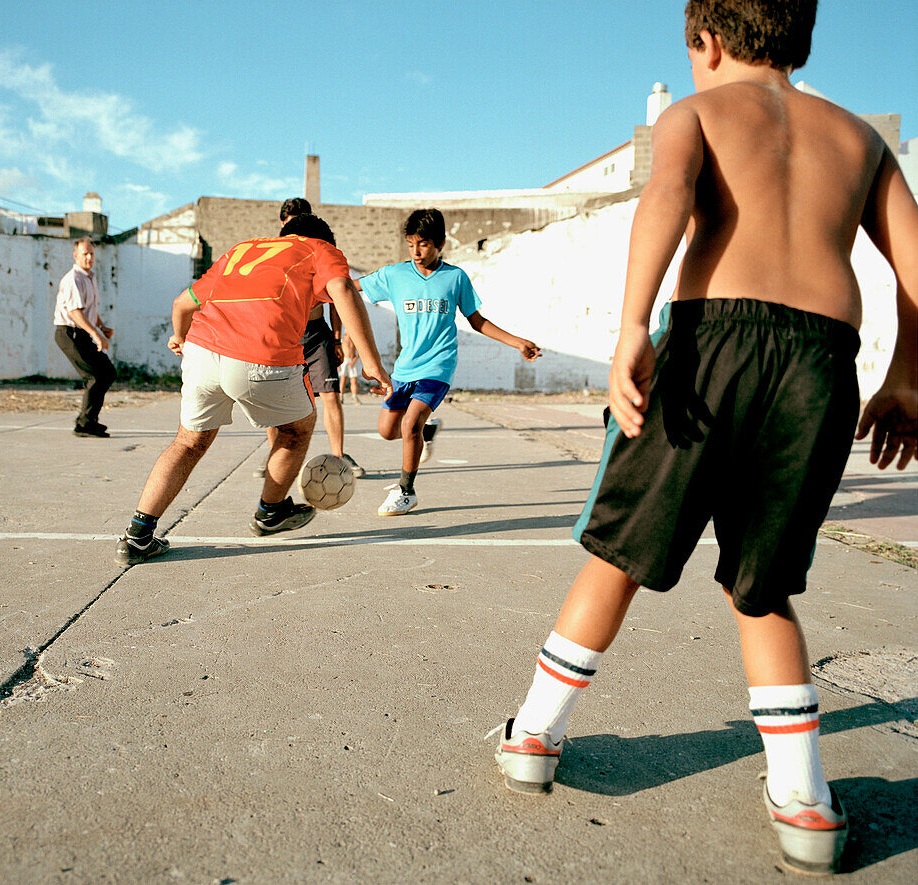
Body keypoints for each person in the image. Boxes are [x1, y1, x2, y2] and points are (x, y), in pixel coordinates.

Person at [494, 0, 918, 875]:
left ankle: (535, 734)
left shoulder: (695, 112)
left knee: (616, 552)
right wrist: (907, 374)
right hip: (819, 363)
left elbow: (666, 198)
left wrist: (628, 332)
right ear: (796, 38)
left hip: (711, 341)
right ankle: (803, 799)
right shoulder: (861, 141)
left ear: (708, 41)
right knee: (762, 585)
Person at [114, 214, 391, 566]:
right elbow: (343, 289)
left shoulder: (242, 250)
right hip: (262, 353)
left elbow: (182, 303)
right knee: (296, 430)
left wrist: (181, 337)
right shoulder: (318, 248)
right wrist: (371, 362)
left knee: (188, 442)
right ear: (324, 240)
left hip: (202, 349)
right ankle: (271, 511)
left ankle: (137, 537)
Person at [355, 208, 541, 515]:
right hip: (404, 368)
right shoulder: (394, 275)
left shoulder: (455, 278)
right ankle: (428, 432)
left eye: (424, 243)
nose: (416, 250)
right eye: (411, 243)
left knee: (410, 424)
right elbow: (348, 287)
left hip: (438, 366)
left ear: (440, 243)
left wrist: (517, 341)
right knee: (389, 431)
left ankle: (406, 490)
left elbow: (477, 320)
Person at [253, 198, 366, 478]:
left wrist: (338, 340)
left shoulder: (322, 252)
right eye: (290, 220)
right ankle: (275, 458)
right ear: (282, 224)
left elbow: (336, 300)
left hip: (317, 334)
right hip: (285, 335)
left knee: (330, 396)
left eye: (301, 218)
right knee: (274, 399)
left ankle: (339, 456)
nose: (296, 226)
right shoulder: (273, 254)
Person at [53, 236, 116, 437]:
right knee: (95, 376)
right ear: (75, 255)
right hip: (68, 332)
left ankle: (89, 421)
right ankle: (84, 424)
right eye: (84, 254)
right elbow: (75, 312)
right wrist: (96, 335)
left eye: (92, 254)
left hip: (80, 331)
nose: (89, 257)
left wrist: (101, 326)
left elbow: (89, 309)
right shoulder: (73, 279)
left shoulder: (90, 277)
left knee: (107, 372)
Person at [338, 331, 362, 404]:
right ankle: (341, 397)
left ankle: (354, 397)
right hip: (344, 360)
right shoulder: (342, 340)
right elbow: (339, 351)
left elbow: (360, 351)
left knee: (353, 380)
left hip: (352, 360)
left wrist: (354, 360)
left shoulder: (355, 340)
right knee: (343, 379)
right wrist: (338, 363)